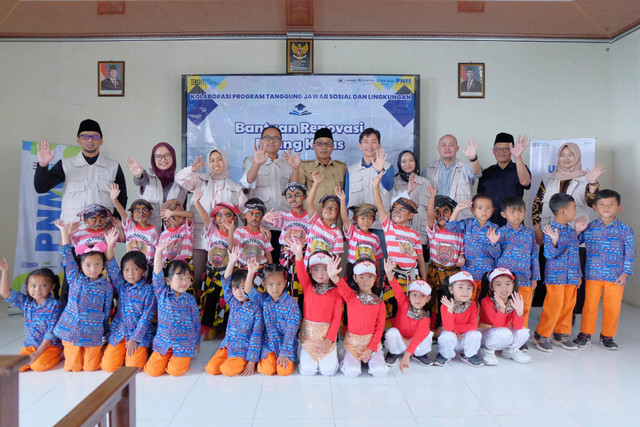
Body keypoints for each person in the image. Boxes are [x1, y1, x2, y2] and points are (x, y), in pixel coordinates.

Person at [531, 142, 604, 310]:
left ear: (577, 157)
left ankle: (569, 314)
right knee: (550, 274)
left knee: (573, 276)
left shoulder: (587, 178)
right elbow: (537, 205)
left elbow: (593, 203)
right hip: (551, 234)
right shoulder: (548, 178)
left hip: (575, 236)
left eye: (570, 155)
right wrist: (537, 229)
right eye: (563, 155)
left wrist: (592, 183)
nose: (566, 158)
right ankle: (548, 313)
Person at [175, 148, 247, 294]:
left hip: (223, 242)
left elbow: (247, 216)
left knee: (221, 281)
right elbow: (180, 179)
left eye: (219, 159)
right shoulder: (199, 179)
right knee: (195, 277)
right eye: (212, 160)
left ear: (225, 162)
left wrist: (262, 225)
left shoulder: (236, 188)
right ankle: (195, 310)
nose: (215, 163)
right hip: (199, 237)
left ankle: (218, 314)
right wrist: (192, 169)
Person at [573, 190, 634, 350]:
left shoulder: (625, 230)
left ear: (619, 207)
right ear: (594, 207)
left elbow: (630, 252)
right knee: (590, 305)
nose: (606, 207)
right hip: (593, 274)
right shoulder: (589, 227)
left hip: (616, 276)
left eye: (611, 204)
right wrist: (577, 230)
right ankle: (585, 334)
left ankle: (607, 335)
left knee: (612, 307)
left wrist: (625, 273)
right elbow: (574, 243)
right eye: (602, 204)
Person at [34, 119, 127, 223]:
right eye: (85, 136)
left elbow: (122, 197)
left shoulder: (113, 166)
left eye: (95, 137)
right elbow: (41, 188)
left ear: (101, 141)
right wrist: (43, 165)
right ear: (78, 140)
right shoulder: (66, 165)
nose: (90, 140)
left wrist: (114, 223)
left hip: (104, 230)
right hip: (73, 229)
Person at [53, 219, 113, 372]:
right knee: (73, 366)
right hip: (72, 327)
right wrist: (64, 232)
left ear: (103, 265)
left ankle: (96, 352)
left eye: (97, 264)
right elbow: (67, 253)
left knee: (90, 367)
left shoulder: (105, 286)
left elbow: (107, 309)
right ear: (80, 265)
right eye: (88, 265)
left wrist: (104, 328)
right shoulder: (74, 277)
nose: (93, 269)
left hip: (93, 330)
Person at [534, 194, 587, 353]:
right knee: (554, 306)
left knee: (568, 306)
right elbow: (549, 255)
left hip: (571, 277)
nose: (575, 212)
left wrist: (578, 274)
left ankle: (561, 333)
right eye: (574, 208)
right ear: (563, 211)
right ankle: (542, 334)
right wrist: (554, 241)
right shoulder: (550, 230)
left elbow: (575, 254)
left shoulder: (571, 232)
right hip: (556, 277)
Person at [239, 125, 302, 258]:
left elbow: (296, 190)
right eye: (267, 137)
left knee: (283, 264)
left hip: (285, 225)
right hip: (260, 225)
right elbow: (246, 183)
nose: (271, 141)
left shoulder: (288, 162)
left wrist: (296, 169)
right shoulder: (250, 161)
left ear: (281, 143)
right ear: (261, 141)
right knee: (261, 265)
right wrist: (257, 164)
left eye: (275, 138)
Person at [101, 230, 157, 372]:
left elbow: (146, 318)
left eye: (135, 269)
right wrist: (110, 244)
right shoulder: (122, 285)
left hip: (138, 335)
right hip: (119, 332)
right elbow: (110, 264)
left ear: (144, 271)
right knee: (108, 367)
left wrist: (134, 339)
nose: (130, 274)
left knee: (133, 368)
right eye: (126, 270)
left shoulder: (149, 291)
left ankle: (145, 350)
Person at [373, 172, 426, 320]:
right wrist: (375, 186)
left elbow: (420, 259)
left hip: (412, 276)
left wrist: (424, 278)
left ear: (410, 216)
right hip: (394, 274)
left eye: (401, 209)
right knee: (391, 304)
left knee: (411, 305)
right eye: (394, 209)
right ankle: (390, 332)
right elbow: (379, 205)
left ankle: (408, 329)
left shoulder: (415, 235)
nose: (396, 211)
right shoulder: (389, 227)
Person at [144, 239, 200, 377]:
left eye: (187, 278)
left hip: (184, 342)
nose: (185, 282)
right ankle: (168, 358)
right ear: (168, 281)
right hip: (164, 342)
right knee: (152, 371)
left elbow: (196, 321)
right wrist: (158, 252)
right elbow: (157, 274)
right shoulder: (162, 293)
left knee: (175, 371)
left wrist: (196, 341)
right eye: (180, 278)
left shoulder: (190, 299)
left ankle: (180, 359)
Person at [205, 247, 263, 376]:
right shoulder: (233, 302)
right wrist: (231, 262)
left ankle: (238, 361)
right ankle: (228, 358)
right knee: (211, 369)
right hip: (227, 346)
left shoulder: (256, 309)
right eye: (235, 289)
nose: (239, 292)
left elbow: (256, 337)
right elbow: (225, 283)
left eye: (243, 288)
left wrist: (251, 361)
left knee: (227, 370)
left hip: (243, 350)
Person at [327, 256, 388, 378]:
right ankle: (349, 357)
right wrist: (333, 276)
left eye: (369, 276)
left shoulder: (380, 303)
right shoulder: (351, 296)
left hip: (372, 344)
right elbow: (340, 284)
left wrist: (371, 349)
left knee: (380, 371)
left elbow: (380, 328)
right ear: (355, 278)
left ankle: (369, 359)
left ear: (375, 277)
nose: (366, 280)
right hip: (353, 344)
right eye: (361, 277)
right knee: (352, 372)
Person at [288, 239, 342, 376]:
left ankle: (335, 354)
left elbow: (336, 319)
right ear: (310, 270)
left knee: (328, 371)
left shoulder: (336, 291)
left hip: (326, 336)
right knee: (307, 371)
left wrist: (329, 339)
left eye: (325, 269)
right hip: (309, 336)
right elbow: (300, 272)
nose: (320, 273)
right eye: (316, 269)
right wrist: (299, 256)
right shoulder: (308, 286)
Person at [0, 261, 63, 372]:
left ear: (52, 286)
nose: (37, 290)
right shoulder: (27, 303)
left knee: (38, 366)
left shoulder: (55, 306)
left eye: (43, 285)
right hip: (31, 346)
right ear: (28, 287)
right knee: (17, 367)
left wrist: (38, 353)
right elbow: (5, 293)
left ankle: (61, 355)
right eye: (33, 286)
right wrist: (4, 271)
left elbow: (51, 333)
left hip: (50, 346)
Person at [192, 193, 240, 339]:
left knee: (226, 302)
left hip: (227, 274)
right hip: (211, 273)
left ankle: (224, 329)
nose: (223, 219)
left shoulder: (237, 234)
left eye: (227, 215)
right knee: (210, 299)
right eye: (219, 215)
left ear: (234, 218)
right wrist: (196, 202)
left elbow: (232, 249)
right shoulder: (212, 229)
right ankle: (207, 327)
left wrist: (230, 231)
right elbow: (204, 216)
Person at [244, 259, 301, 376]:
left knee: (283, 371)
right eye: (271, 284)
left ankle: (284, 359)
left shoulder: (292, 304)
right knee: (267, 370)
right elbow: (248, 291)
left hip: (286, 345)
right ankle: (269, 359)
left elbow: (291, 331)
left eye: (279, 283)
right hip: (268, 344)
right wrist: (250, 272)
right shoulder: (264, 299)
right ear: (264, 284)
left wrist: (284, 353)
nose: (275, 288)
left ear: (285, 283)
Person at [261, 182, 312, 307]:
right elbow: (270, 221)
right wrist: (264, 219)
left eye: (297, 195)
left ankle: (299, 313)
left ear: (305, 196)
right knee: (284, 283)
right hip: (285, 257)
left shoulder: (311, 217)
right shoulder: (284, 215)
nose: (293, 198)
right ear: (286, 198)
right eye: (289, 196)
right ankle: (284, 310)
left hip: (302, 258)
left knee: (301, 285)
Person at [496, 196, 540, 333]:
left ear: (525, 212)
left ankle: (521, 334)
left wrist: (535, 277)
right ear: (504, 214)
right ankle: (505, 333)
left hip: (525, 279)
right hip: (505, 281)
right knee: (505, 306)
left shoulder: (529, 234)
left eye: (520, 211)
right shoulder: (500, 233)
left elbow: (534, 255)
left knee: (524, 306)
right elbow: (495, 255)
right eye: (512, 212)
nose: (517, 215)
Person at [345, 129, 394, 251]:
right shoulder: (351, 170)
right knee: (359, 264)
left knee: (382, 266)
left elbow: (389, 186)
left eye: (373, 142)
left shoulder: (388, 167)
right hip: (357, 226)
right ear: (360, 145)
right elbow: (346, 199)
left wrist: (379, 170)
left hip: (379, 226)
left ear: (379, 145)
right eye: (365, 142)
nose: (369, 146)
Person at [425, 187, 465, 331]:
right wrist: (431, 197)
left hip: (452, 274)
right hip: (435, 272)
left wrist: (461, 256)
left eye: (446, 211)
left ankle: (446, 327)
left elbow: (462, 250)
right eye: (437, 212)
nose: (441, 215)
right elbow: (429, 216)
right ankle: (433, 328)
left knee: (449, 300)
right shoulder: (433, 230)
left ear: (452, 211)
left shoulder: (458, 232)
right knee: (434, 301)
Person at [383, 258, 434, 370]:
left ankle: (419, 354)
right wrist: (388, 272)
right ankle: (393, 353)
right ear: (409, 295)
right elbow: (396, 287)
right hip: (400, 341)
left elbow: (419, 336)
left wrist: (407, 355)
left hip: (413, 343)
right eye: (414, 295)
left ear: (428, 299)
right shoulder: (404, 303)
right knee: (392, 332)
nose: (418, 299)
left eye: (422, 296)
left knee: (428, 334)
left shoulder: (425, 317)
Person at [126, 142, 188, 230]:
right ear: (153, 159)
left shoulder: (181, 178)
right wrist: (138, 175)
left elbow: (183, 208)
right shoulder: (147, 175)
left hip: (174, 232)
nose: (163, 160)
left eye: (167, 155)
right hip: (149, 231)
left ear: (173, 156)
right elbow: (139, 181)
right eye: (158, 156)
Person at [478, 268, 531, 365]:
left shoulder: (513, 301)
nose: (504, 288)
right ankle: (487, 350)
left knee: (523, 331)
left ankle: (510, 350)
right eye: (498, 284)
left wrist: (519, 311)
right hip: (488, 333)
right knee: (504, 333)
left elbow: (517, 326)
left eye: (508, 284)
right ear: (491, 286)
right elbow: (498, 325)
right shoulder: (486, 301)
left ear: (513, 285)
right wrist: (502, 309)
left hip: (503, 332)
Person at [477, 133, 531, 227]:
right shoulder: (486, 172)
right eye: (498, 149)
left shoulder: (519, 168)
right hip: (489, 225)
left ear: (512, 150)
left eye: (506, 148)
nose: (501, 151)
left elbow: (526, 182)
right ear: (493, 151)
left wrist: (517, 157)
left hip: (514, 225)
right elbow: (480, 199)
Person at [422, 134, 481, 219]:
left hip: (460, 220)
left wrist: (473, 159)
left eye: (451, 145)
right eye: (443, 145)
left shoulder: (466, 167)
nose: (447, 148)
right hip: (436, 219)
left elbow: (476, 172)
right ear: (438, 148)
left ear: (457, 149)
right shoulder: (428, 169)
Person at [446, 194, 501, 281]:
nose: (484, 211)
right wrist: (457, 210)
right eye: (479, 208)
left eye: (488, 208)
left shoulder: (495, 228)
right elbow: (451, 227)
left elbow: (496, 254)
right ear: (472, 210)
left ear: (493, 210)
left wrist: (494, 243)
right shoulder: (468, 224)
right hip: (469, 274)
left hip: (487, 276)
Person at [434, 271, 483, 367]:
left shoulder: (472, 304)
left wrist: (456, 330)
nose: (465, 291)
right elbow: (448, 328)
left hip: (463, 338)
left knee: (476, 334)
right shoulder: (446, 304)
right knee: (446, 336)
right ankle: (445, 355)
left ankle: (468, 354)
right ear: (451, 290)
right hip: (452, 338)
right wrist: (450, 310)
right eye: (460, 287)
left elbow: (473, 326)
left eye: (469, 288)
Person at [335, 187, 382, 279]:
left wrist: (378, 276)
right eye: (362, 218)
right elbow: (345, 218)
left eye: (369, 218)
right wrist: (342, 200)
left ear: (373, 220)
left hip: (369, 270)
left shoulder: (375, 238)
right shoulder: (353, 232)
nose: (366, 221)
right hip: (353, 269)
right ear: (355, 219)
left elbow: (378, 259)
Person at [299, 128, 347, 215]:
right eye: (319, 143)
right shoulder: (304, 167)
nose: (324, 147)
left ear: (332, 147)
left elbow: (346, 196)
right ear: (313, 146)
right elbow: (298, 194)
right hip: (311, 219)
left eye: (327, 144)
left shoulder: (342, 168)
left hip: (335, 221)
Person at [392, 150, 432, 254]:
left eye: (411, 160)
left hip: (421, 234)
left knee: (420, 266)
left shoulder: (425, 182)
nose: (408, 164)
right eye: (404, 161)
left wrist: (432, 234)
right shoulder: (394, 182)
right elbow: (391, 206)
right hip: (400, 234)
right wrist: (408, 190)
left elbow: (432, 210)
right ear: (399, 164)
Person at [110, 184, 159, 264]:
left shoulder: (154, 231)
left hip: (147, 266)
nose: (141, 213)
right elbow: (122, 212)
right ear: (132, 215)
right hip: (131, 264)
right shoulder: (130, 226)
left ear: (150, 214)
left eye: (144, 210)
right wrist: (114, 200)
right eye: (137, 211)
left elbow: (157, 251)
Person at [303, 172, 344, 264]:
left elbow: (336, 257)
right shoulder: (315, 221)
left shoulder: (337, 233)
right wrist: (316, 183)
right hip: (308, 266)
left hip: (325, 271)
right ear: (321, 210)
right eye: (326, 206)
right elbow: (309, 201)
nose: (329, 209)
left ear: (338, 215)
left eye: (333, 207)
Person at [234, 198, 274, 267]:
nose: (254, 217)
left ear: (262, 217)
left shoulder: (264, 234)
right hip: (243, 268)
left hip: (260, 268)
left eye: (258, 214)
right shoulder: (239, 232)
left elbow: (268, 253)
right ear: (244, 215)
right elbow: (233, 249)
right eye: (251, 213)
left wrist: (271, 269)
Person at [156, 199, 195, 263]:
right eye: (178, 214)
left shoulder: (186, 228)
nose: (182, 216)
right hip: (171, 266)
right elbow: (163, 254)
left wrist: (172, 213)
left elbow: (191, 215)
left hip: (185, 264)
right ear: (167, 217)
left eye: (182, 213)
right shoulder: (163, 234)